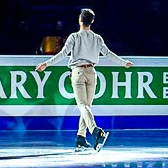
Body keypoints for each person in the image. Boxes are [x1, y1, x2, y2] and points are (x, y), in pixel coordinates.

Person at [36, 8, 133, 151]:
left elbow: (63, 54)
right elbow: (108, 54)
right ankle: (81, 138)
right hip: (92, 73)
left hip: (78, 72)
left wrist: (46, 64)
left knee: (83, 106)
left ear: (80, 20)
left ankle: (95, 131)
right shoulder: (97, 38)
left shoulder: (74, 37)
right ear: (92, 21)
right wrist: (123, 62)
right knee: (86, 106)